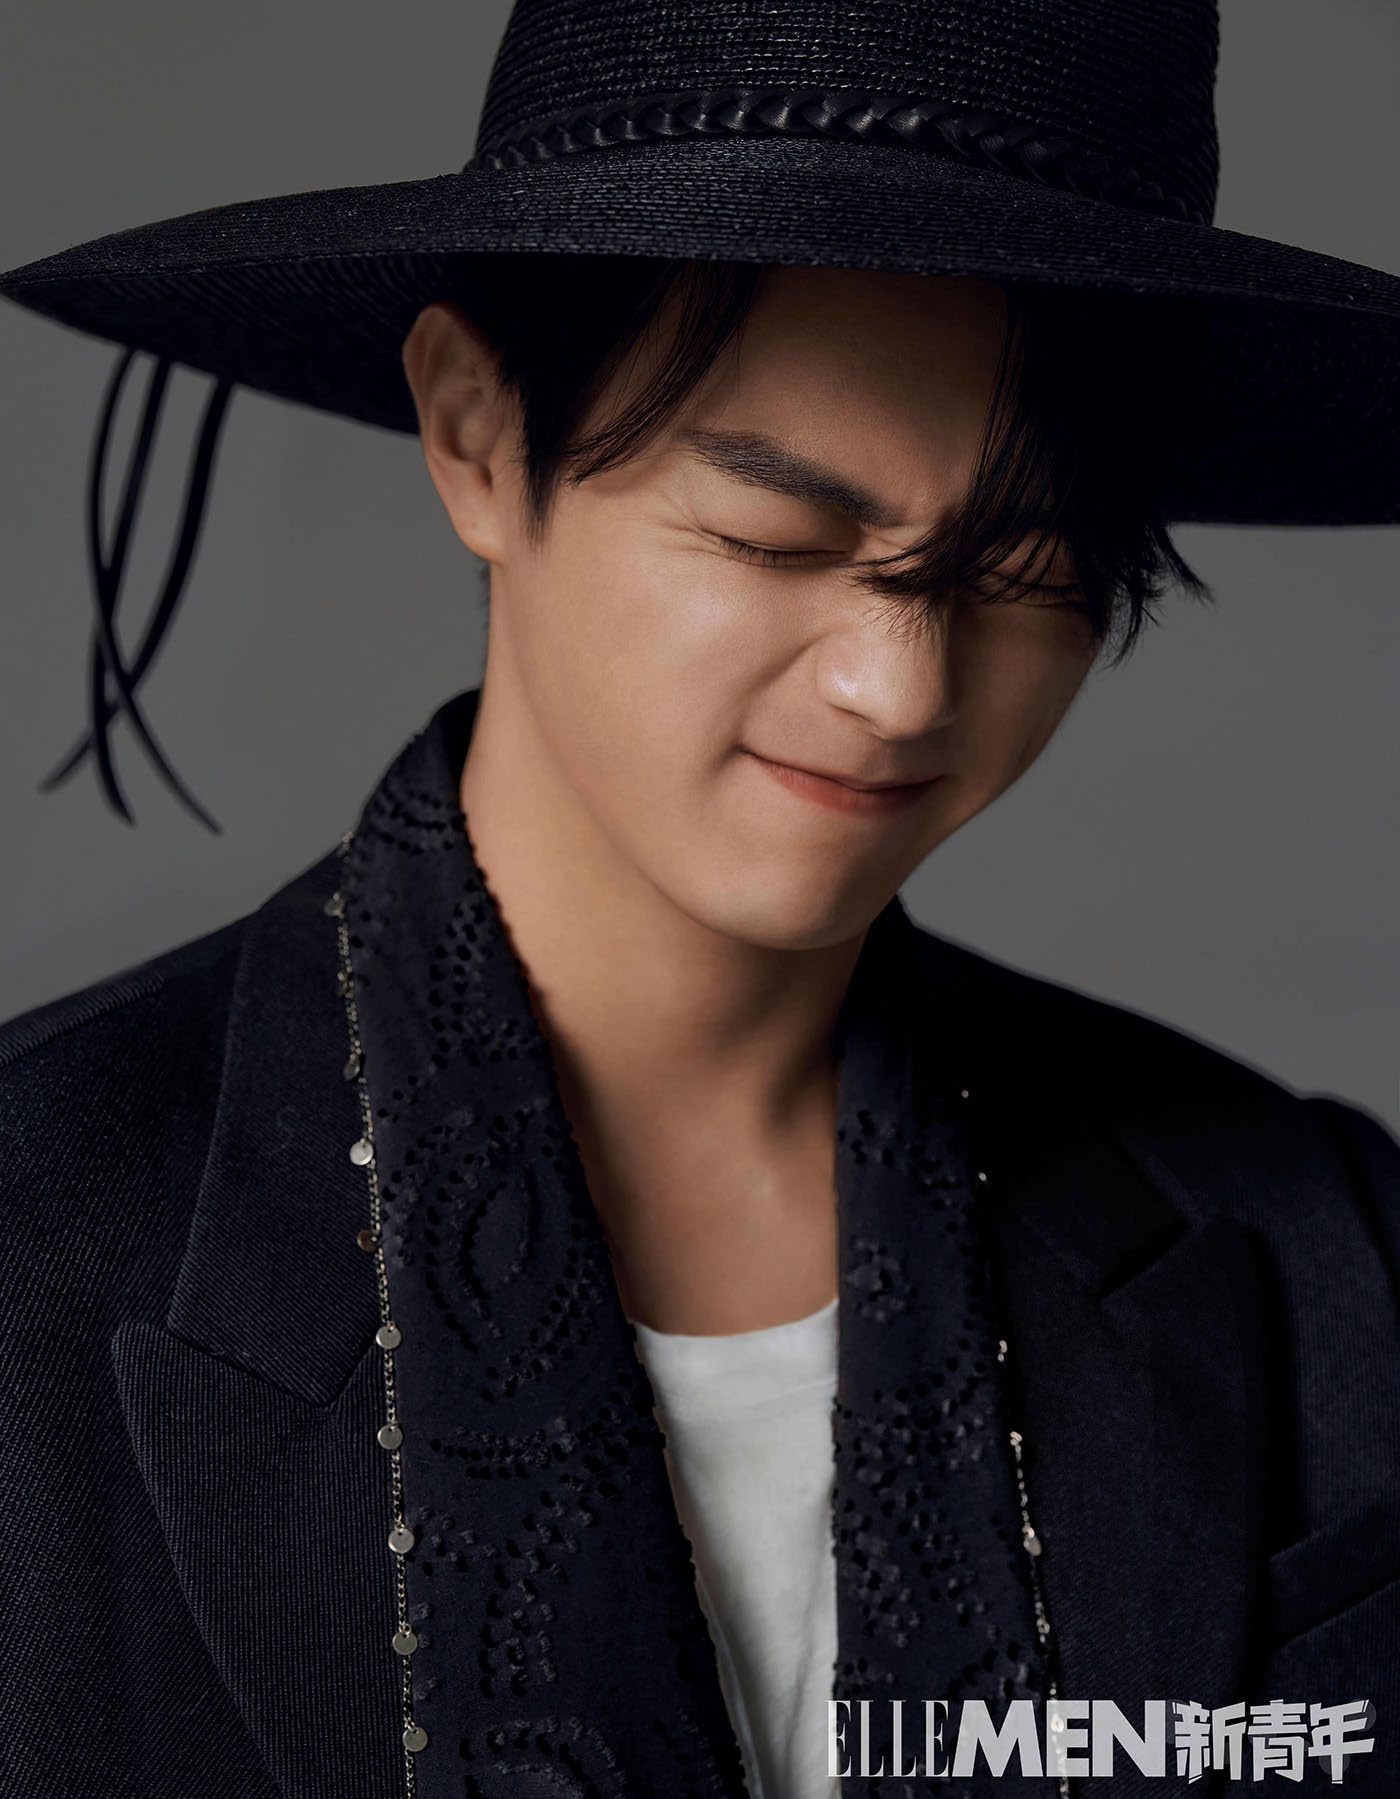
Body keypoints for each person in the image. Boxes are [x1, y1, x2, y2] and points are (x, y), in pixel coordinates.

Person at [2, 3, 1399, 1797]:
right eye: (774, 541)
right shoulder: (41, 1233)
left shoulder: (1314, 1246)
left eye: (1026, 571)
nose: (900, 687)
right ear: (476, 432)